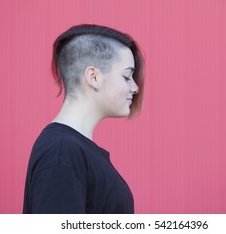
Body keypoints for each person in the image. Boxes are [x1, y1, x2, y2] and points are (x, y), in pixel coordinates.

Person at [23, 24, 145, 214]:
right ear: (93, 77)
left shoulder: (70, 150)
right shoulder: (61, 152)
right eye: (127, 76)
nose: (135, 87)